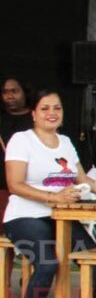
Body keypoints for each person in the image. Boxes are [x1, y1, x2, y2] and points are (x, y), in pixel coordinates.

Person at [3, 89, 96, 298]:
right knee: (47, 263)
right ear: (33, 113)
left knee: (95, 264)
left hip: (63, 217)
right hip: (25, 217)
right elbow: (15, 184)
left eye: (56, 107)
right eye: (44, 108)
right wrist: (53, 197)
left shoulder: (66, 143)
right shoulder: (22, 141)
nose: (51, 113)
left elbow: (84, 179)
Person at [1, 77, 36, 219]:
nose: (9, 96)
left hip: (31, 186)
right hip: (3, 186)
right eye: (5, 92)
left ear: (25, 92)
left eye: (14, 91)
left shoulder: (37, 118)